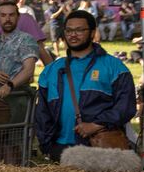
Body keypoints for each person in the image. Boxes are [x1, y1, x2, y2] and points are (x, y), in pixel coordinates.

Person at [33, 10, 137, 162]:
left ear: (93, 33)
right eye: (69, 30)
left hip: (99, 147)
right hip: (60, 150)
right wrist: (47, 146)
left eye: (80, 30)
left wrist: (96, 125)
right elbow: (42, 112)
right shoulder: (51, 70)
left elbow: (126, 106)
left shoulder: (114, 66)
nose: (73, 35)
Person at [0, 1, 39, 163]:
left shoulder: (26, 40)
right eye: (3, 15)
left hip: (14, 100)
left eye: (11, 15)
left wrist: (9, 85)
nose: (7, 19)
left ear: (18, 17)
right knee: (2, 144)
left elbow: (28, 71)